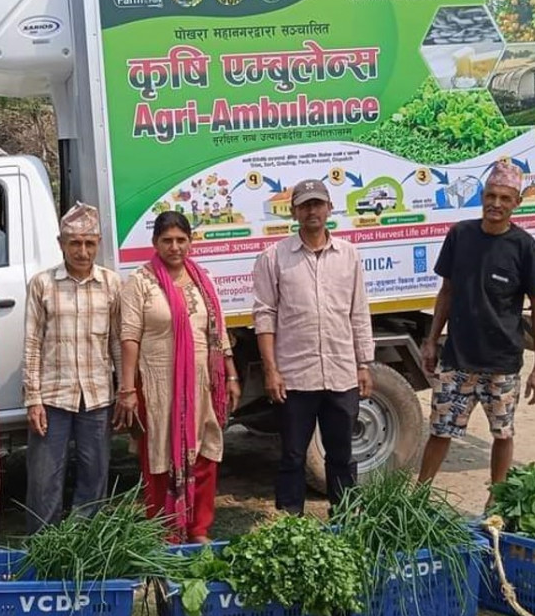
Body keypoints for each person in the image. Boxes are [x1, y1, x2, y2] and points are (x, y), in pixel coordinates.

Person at [416, 160, 535, 495]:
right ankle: (418, 497)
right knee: (440, 431)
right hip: (457, 359)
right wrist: (431, 340)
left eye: (505, 198)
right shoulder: (461, 235)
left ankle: (496, 503)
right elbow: (446, 291)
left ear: (516, 203)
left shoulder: (524, 247)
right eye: (491, 196)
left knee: (502, 434)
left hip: (502, 365)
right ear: (481, 196)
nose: (496, 204)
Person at [252, 179, 374, 515]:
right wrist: (271, 371)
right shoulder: (275, 257)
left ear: (329, 208)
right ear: (293, 212)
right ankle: (292, 527)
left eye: (318, 204)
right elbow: (264, 317)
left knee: (341, 454)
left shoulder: (349, 255)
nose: (312, 211)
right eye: (305, 205)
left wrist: (364, 364)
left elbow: (358, 312)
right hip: (295, 376)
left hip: (341, 374)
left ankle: (346, 520)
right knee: (292, 455)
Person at [117, 211, 241, 543]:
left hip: (202, 383)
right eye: (167, 240)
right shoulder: (141, 282)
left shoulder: (204, 279)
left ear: (190, 241)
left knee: (203, 451)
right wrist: (127, 389)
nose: (175, 247)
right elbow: (129, 337)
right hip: (158, 385)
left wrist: (230, 374)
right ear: (155, 243)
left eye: (181, 240)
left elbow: (218, 330)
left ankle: (198, 527)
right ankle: (166, 530)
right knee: (160, 455)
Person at [23, 203, 123, 534]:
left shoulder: (110, 284)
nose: (82, 251)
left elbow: (117, 343)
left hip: (97, 397)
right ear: (61, 243)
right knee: (44, 478)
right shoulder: (42, 284)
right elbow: (32, 343)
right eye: (74, 243)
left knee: (95, 475)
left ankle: (84, 545)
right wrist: (33, 398)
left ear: (98, 244)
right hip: (53, 396)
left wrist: (125, 391)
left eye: (89, 243)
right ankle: (44, 546)